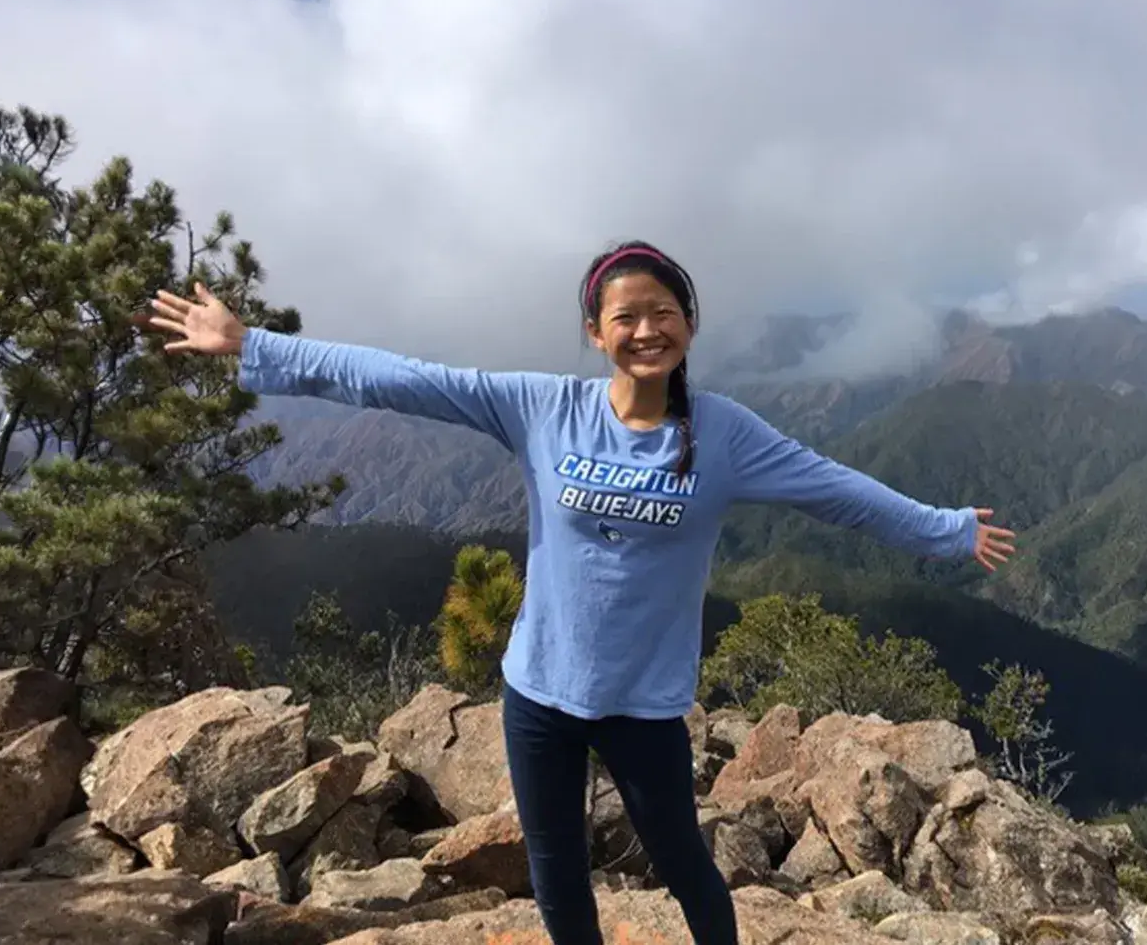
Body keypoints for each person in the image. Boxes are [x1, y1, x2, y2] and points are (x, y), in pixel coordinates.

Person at [142, 240, 1016, 944]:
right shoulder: (542, 408)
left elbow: (837, 491)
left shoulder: (725, 435)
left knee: (683, 862)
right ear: (596, 332)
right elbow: (400, 378)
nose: (647, 329)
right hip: (539, 693)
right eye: (625, 316)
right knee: (556, 868)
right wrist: (254, 347)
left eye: (663, 313)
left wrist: (945, 529)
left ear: (689, 327)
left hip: (644, 704)